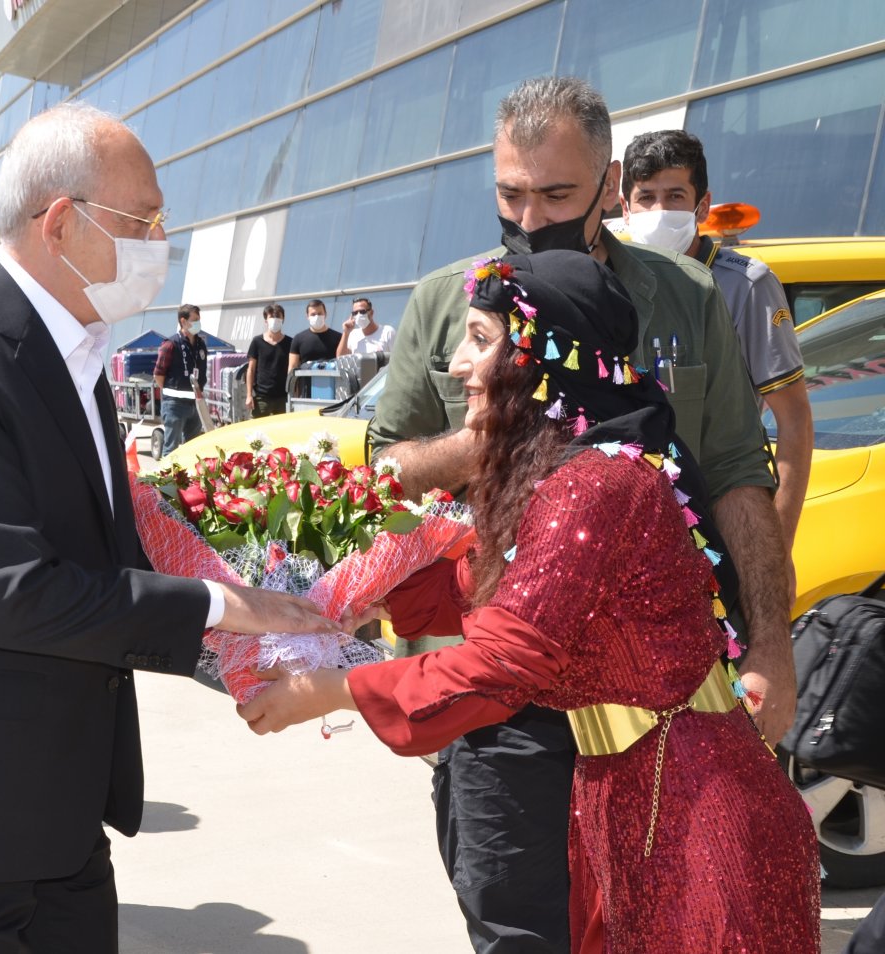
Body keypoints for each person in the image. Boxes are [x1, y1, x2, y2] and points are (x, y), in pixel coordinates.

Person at [0, 103, 335, 954]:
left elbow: (106, 553)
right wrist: (223, 608)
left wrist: (272, 636)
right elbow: (14, 591)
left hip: (54, 797)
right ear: (61, 223)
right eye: (145, 219)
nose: (160, 239)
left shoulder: (78, 358)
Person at [241, 251, 820, 953]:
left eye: (481, 341)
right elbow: (474, 590)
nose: (457, 365)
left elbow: (502, 661)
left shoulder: (595, 488)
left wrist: (331, 689)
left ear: (544, 359)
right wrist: (340, 592)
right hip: (641, 794)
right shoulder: (565, 476)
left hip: (699, 816)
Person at [366, 76, 796, 952]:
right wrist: (507, 440)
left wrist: (774, 644)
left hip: (666, 709)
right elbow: (386, 470)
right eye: (508, 193)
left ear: (608, 184)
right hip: (501, 697)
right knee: (517, 926)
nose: (528, 218)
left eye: (556, 194)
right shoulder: (456, 297)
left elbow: (737, 475)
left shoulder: (682, 296)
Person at [620, 129, 814, 573]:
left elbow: (795, 419)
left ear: (702, 205)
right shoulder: (609, 283)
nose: (659, 211)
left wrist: (773, 553)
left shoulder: (745, 284)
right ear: (625, 208)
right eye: (646, 197)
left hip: (720, 515)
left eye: (674, 196)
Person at [153, 303, 208, 455]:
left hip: (195, 404)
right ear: (183, 321)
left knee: (193, 449)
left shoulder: (201, 344)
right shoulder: (171, 344)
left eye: (199, 319)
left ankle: (188, 479)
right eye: (194, 319)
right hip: (174, 404)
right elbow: (158, 374)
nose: (198, 323)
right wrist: (172, 392)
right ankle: (168, 478)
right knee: (171, 449)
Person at [245, 303, 291, 418]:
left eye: (278, 317)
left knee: (282, 430)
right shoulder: (257, 342)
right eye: (272, 317)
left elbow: (295, 368)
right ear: (266, 320)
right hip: (262, 396)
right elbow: (251, 369)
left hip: (283, 397)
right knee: (259, 431)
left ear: (283, 319)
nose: (275, 320)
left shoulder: (290, 343)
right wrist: (249, 395)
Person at [287, 298, 341, 372]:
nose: (316, 317)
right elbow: (292, 367)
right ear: (307, 316)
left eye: (320, 314)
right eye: (313, 314)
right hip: (306, 382)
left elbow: (343, 365)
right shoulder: (298, 339)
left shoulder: (338, 337)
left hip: (331, 382)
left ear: (325, 314)